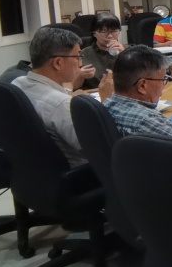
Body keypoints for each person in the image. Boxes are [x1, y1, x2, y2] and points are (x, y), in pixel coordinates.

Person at [12, 26, 114, 167]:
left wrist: (68, 93)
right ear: (58, 63)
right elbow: (100, 147)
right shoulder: (60, 105)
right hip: (84, 172)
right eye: (78, 57)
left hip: (34, 168)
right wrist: (107, 101)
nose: (81, 63)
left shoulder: (17, 83)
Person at [80, 13, 124, 89]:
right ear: (94, 33)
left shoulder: (129, 52)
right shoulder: (83, 55)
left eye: (114, 31)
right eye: (103, 31)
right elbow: (72, 85)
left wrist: (124, 55)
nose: (110, 36)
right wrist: (80, 75)